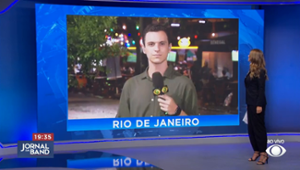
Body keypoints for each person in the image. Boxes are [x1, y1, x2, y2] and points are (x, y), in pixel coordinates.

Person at [116, 23, 198, 118]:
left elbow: (195, 129)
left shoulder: (184, 85)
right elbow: (120, 128)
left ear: (169, 47)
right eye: (151, 44)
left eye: (162, 43)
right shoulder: (131, 85)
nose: (157, 49)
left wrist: (177, 111)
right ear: (144, 49)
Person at [244, 49, 268, 165]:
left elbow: (261, 89)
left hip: (257, 104)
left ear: (254, 56)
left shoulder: (261, 71)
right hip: (250, 103)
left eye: (250, 54)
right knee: (251, 129)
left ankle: (263, 153)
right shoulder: (251, 70)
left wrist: (259, 104)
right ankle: (256, 151)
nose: (248, 55)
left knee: (258, 129)